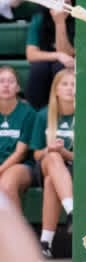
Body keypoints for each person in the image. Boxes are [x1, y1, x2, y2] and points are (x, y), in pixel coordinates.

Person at [31, 69, 75, 258]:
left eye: (74, 85)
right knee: (53, 157)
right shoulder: (43, 115)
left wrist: (65, 152)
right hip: (46, 165)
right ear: (56, 90)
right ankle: (73, 211)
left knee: (51, 182)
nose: (70, 88)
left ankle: (45, 243)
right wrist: (51, 150)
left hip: (74, 168)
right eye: (65, 84)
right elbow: (36, 154)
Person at [0, 66, 36, 206]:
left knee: (6, 184)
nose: (6, 85)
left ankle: (16, 222)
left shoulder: (28, 113)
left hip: (20, 165)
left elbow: (20, 153)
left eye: (11, 81)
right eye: (1, 81)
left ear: (18, 88)